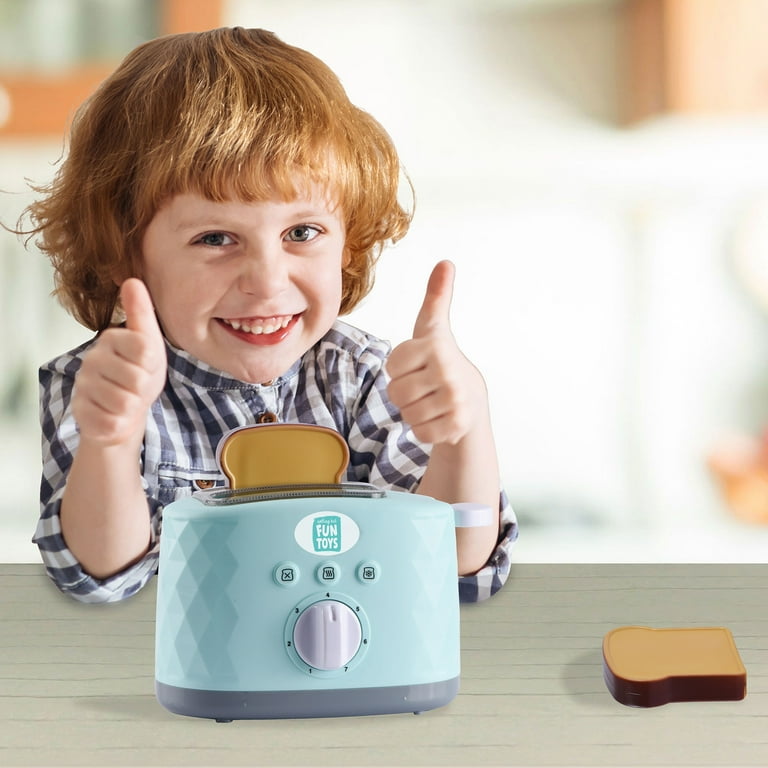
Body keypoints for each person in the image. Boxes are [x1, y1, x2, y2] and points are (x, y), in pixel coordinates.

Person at [21, 27, 517, 604]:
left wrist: (465, 432)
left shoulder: (363, 379)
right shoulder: (95, 388)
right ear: (124, 253)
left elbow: (451, 566)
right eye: (215, 238)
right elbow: (102, 576)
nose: (267, 281)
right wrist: (110, 442)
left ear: (348, 243)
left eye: (301, 233)